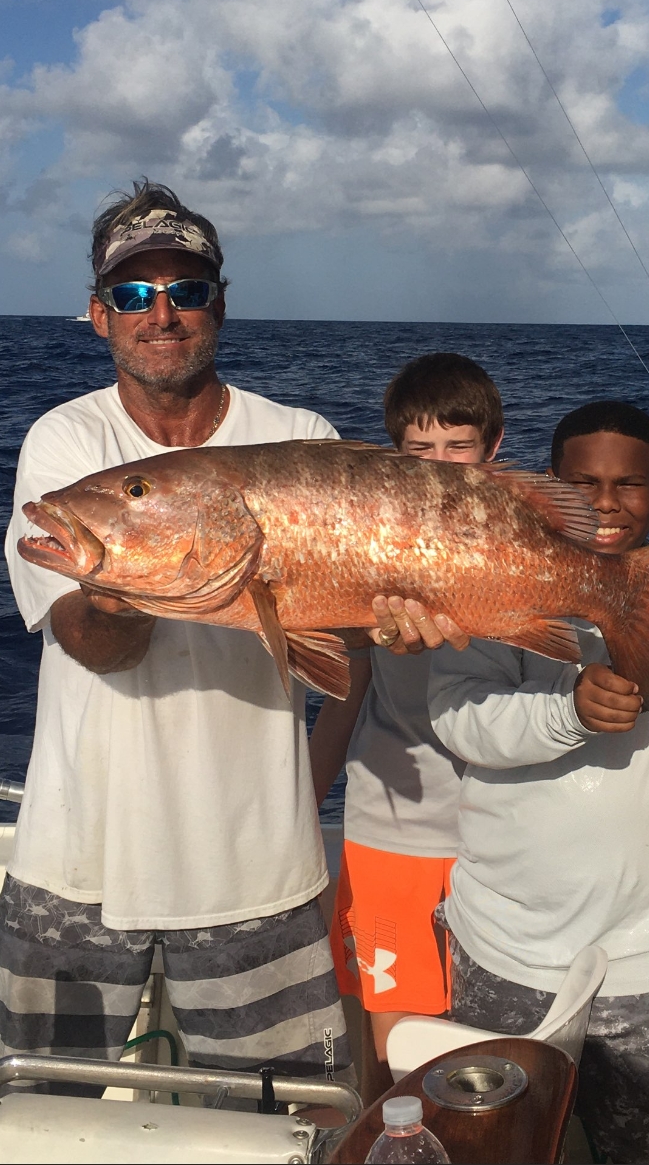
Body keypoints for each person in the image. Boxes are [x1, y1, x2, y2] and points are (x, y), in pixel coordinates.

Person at [1, 179, 357, 1089]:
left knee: (290, 1121)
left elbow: (346, 639)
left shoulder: (301, 437)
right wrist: (128, 572)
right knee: (40, 1107)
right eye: (132, 293)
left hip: (258, 868)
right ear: (96, 314)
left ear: (219, 307)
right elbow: (97, 643)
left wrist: (398, 621)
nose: (161, 313)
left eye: (186, 290)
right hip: (74, 865)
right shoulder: (64, 443)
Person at [427, 399, 649, 1165]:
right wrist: (570, 712)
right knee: (499, 1152)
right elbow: (459, 716)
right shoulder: (487, 581)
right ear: (547, 486)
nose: (605, 502)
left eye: (628, 485)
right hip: (508, 950)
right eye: (581, 482)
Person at [310, 353, 503, 1101]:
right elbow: (347, 693)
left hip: (500, 842)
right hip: (391, 833)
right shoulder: (363, 550)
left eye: (459, 446)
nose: (442, 465)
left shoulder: (524, 545)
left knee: (487, 1052)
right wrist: (305, 808)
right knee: (397, 1058)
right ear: (394, 459)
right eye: (419, 451)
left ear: (493, 447)